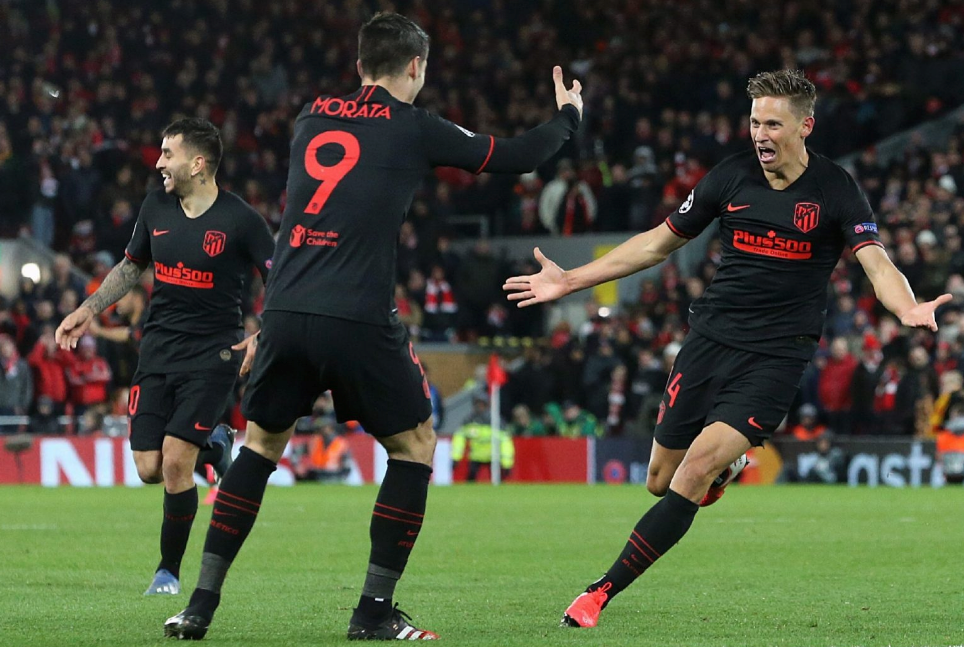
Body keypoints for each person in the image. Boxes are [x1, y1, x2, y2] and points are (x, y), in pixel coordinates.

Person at [165, 11, 582, 642]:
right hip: (357, 314)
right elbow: (518, 156)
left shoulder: (310, 117)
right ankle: (373, 611)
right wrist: (568, 117)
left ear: (360, 65)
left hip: (284, 311)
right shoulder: (414, 125)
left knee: (260, 446)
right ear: (416, 66)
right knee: (414, 446)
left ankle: (199, 605)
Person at [503, 69, 950, 628]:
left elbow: (876, 263)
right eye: (755, 122)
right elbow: (656, 244)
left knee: (692, 473)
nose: (760, 134)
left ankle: (598, 593)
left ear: (805, 127)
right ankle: (727, 468)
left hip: (777, 357)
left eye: (773, 124)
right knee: (659, 481)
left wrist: (905, 307)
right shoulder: (731, 176)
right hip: (710, 342)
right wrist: (571, 280)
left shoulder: (836, 189)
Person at [55, 118, 274, 597]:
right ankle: (215, 444)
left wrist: (264, 333)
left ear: (198, 164)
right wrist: (88, 309)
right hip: (158, 349)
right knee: (148, 468)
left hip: (214, 352)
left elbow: (280, 279)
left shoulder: (241, 220)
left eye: (167, 154)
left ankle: (168, 572)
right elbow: (131, 266)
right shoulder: (155, 206)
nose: (158, 163)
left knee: (175, 462)